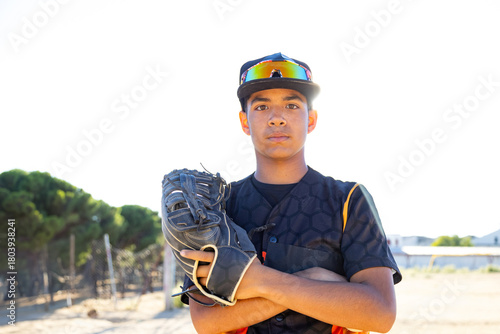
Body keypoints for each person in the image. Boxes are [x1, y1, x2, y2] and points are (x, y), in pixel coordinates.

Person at [180, 52, 402, 334]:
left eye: (292, 105)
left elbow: (379, 314)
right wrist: (318, 280)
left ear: (311, 119)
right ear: (244, 122)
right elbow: (206, 321)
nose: (276, 118)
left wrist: (259, 281)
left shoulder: (349, 200)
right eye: (261, 107)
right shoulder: (217, 206)